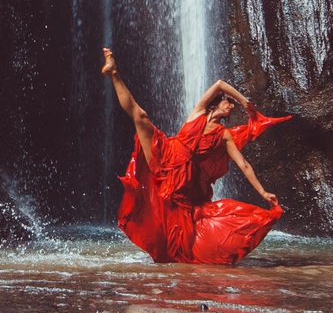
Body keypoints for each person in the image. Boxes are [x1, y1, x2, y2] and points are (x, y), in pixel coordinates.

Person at [101, 47, 291, 265]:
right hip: (168, 154)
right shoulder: (199, 111)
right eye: (227, 101)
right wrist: (245, 103)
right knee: (141, 116)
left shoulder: (225, 136)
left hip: (185, 180)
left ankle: (177, 265)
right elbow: (219, 84)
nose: (230, 105)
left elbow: (244, 164)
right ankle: (114, 72)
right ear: (216, 103)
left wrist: (263, 192)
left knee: (180, 237)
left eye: (232, 102)